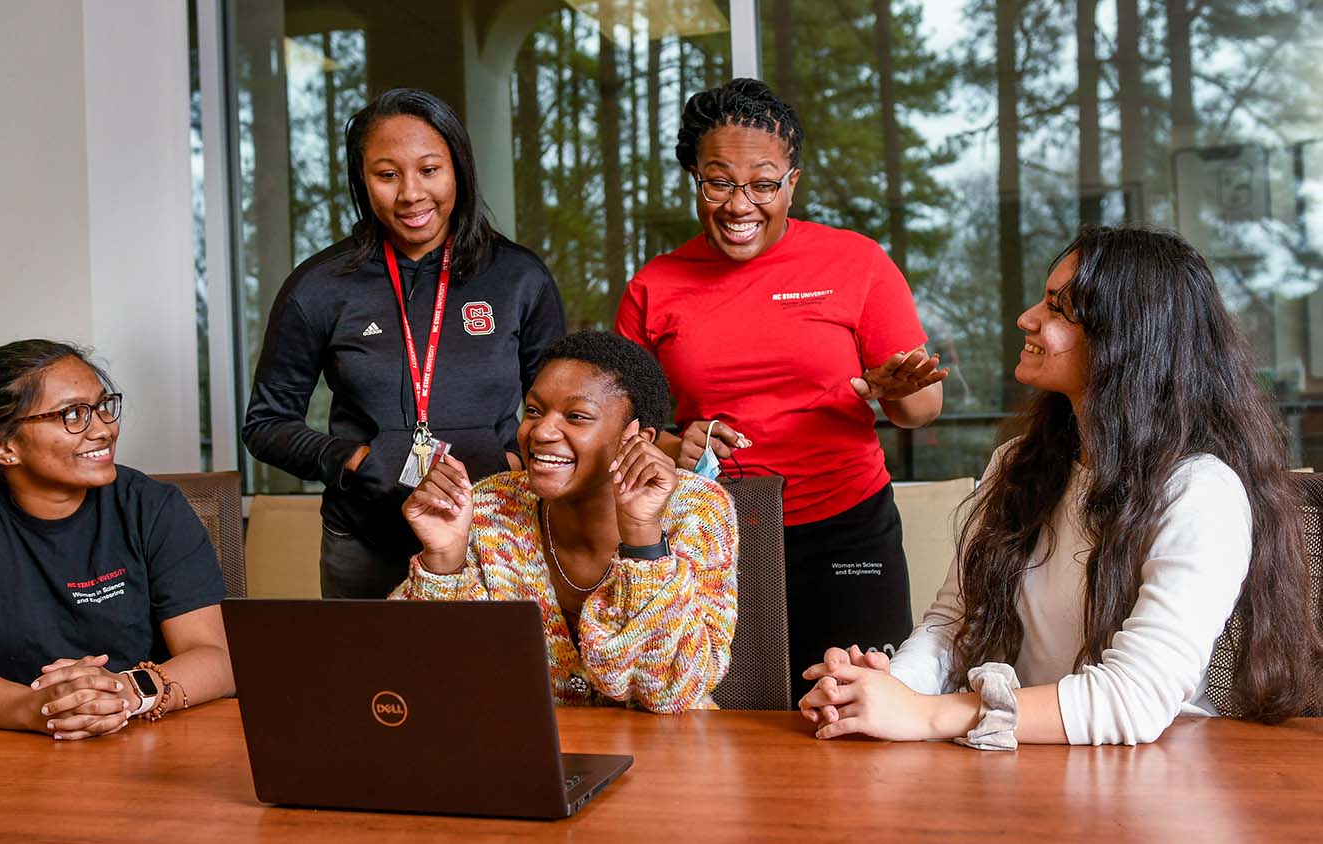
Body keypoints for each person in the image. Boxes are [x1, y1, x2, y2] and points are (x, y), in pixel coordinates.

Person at [800, 226, 1323, 747]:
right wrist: (880, 689)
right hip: (1021, 767)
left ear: (1124, 336)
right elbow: (952, 624)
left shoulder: (1200, 491)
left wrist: (927, 715)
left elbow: (1133, 699)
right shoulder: (1018, 464)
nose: (1026, 318)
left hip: (1153, 785)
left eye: (1056, 308)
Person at [616, 77, 946, 697]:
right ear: (695, 177)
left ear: (792, 182)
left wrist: (895, 390)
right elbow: (625, 432)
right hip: (713, 533)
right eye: (719, 182)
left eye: (764, 184)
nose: (741, 204)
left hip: (847, 528)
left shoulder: (856, 264)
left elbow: (922, 411)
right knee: (736, 716)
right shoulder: (654, 287)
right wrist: (671, 444)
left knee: (859, 708)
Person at [243, 87, 565, 599]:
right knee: (373, 681)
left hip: (503, 537)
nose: (411, 194)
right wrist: (354, 460)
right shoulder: (321, 285)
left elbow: (562, 409)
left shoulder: (518, 278)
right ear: (362, 180)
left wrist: (511, 461)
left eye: (430, 170)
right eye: (387, 175)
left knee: (495, 680)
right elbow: (265, 425)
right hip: (365, 543)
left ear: (458, 168)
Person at [0, 339, 234, 740]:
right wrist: (37, 709)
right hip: (2, 748)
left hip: (145, 739)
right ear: (3, 447)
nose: (105, 429)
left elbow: (217, 658)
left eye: (103, 406)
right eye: (74, 414)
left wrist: (126, 692)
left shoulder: (153, 507)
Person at [392, 331, 737, 713]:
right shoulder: (488, 506)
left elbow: (671, 692)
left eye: (576, 416)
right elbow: (423, 676)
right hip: (527, 756)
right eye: (535, 411)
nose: (541, 432)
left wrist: (643, 537)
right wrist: (443, 562)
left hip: (669, 757)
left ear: (636, 438)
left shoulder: (695, 510)